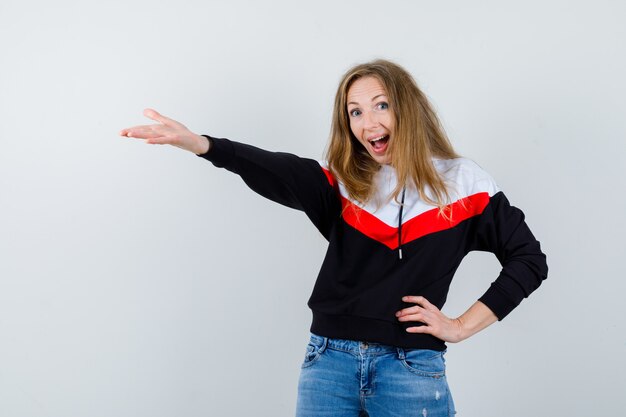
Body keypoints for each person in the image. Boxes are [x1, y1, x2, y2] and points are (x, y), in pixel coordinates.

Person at [120, 59, 548, 417]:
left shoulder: (463, 183)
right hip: (328, 364)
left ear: (408, 109)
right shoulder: (343, 183)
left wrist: (459, 326)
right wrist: (203, 145)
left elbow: (528, 259)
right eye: (355, 111)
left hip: (411, 368)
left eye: (382, 105)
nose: (369, 122)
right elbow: (277, 168)